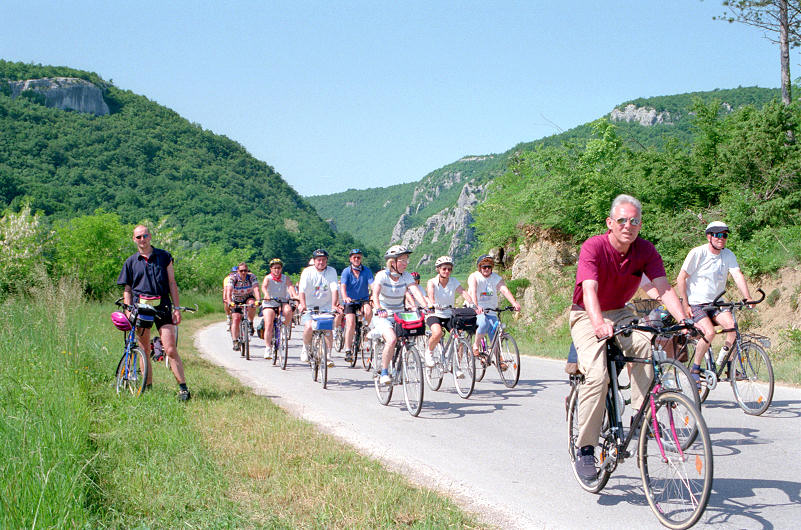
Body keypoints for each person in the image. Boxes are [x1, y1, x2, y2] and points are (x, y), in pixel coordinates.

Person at [570, 194, 686, 481]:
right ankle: (585, 448)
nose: (628, 225)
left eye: (634, 221)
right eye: (622, 220)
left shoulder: (645, 250)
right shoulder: (594, 246)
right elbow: (589, 290)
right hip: (586, 313)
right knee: (597, 377)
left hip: (621, 311)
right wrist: (598, 323)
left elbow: (663, 288)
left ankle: (640, 416)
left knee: (645, 344)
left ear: (640, 224)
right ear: (610, 223)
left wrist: (685, 320)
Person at [117, 224, 191, 401]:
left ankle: (183, 388)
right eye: (138, 237)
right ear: (134, 240)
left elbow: (172, 283)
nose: (142, 240)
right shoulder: (130, 262)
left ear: (150, 236)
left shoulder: (164, 257)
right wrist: (128, 310)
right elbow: (127, 289)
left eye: (145, 236)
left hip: (162, 306)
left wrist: (177, 308)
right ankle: (147, 386)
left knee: (170, 348)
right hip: (140, 308)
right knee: (143, 349)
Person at [676, 221, 752, 382]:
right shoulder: (698, 253)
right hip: (697, 303)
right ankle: (695, 368)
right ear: (709, 236)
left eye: (724, 235)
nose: (721, 238)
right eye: (717, 235)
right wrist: (685, 304)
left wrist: (747, 297)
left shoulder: (728, 254)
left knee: (732, 328)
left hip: (717, 303)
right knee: (709, 333)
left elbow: (737, 275)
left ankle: (729, 365)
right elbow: (681, 278)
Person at [371, 245, 429, 385]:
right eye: (402, 260)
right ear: (392, 262)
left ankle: (399, 364)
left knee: (409, 336)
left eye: (406, 260)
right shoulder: (382, 275)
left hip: (400, 313)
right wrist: (379, 308)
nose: (405, 263)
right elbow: (375, 294)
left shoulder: (406, 276)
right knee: (391, 340)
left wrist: (427, 307)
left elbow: (415, 291)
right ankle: (384, 372)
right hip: (383, 314)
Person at [425, 256, 476, 373]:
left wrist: (472, 304)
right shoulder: (432, 282)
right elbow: (431, 295)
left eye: (449, 269)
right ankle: (430, 352)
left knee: (459, 336)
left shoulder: (453, 281)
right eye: (444, 269)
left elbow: (463, 292)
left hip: (449, 314)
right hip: (435, 313)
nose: (447, 271)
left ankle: (456, 366)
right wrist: (433, 304)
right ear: (438, 269)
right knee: (437, 333)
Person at [467, 254, 521, 357]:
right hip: (476, 308)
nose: (486, 269)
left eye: (489, 267)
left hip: (491, 309)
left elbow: (504, 290)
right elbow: (473, 291)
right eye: (484, 267)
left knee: (496, 330)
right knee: (483, 323)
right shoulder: (474, 277)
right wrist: (476, 306)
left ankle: (498, 359)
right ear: (480, 268)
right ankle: (475, 346)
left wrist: (514, 303)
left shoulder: (496, 278)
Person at [297, 249, 340, 366]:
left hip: (326, 306)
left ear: (327, 261)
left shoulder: (331, 271)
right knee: (309, 326)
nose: (321, 262)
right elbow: (302, 290)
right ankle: (306, 348)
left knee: (327, 329)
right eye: (318, 260)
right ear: (314, 260)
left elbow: (334, 289)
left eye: (323, 260)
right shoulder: (307, 272)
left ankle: (328, 355)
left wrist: (334, 305)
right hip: (310, 306)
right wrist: (303, 305)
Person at [339, 249, 374, 363]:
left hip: (363, 299)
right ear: (350, 259)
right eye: (354, 257)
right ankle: (348, 350)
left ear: (361, 258)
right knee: (350, 323)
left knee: (368, 311)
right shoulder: (346, 271)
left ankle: (365, 330)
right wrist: (345, 297)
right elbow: (343, 286)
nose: (356, 259)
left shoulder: (366, 270)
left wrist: (374, 296)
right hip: (350, 300)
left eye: (358, 257)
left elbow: (372, 285)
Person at [260, 258, 297, 359]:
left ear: (281, 269)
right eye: (274, 268)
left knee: (288, 310)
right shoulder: (268, 278)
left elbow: (290, 287)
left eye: (279, 268)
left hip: (281, 301)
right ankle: (268, 348)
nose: (277, 270)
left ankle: (284, 328)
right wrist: (266, 294)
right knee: (269, 323)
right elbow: (264, 286)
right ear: (271, 269)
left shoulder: (285, 278)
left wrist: (295, 295)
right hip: (269, 302)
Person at [225, 262, 260, 351]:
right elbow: (228, 292)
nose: (243, 272)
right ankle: (235, 341)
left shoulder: (251, 277)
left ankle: (250, 322)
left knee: (252, 304)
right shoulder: (233, 278)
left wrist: (258, 300)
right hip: (236, 299)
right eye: (241, 271)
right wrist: (229, 302)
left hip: (247, 296)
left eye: (245, 270)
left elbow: (256, 289)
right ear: (237, 271)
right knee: (236, 318)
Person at [224, 266, 236, 331]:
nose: (235, 274)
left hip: (237, 295)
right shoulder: (227, 279)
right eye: (234, 272)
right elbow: (226, 289)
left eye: (236, 272)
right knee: (226, 303)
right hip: (230, 294)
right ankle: (228, 317)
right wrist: (224, 298)